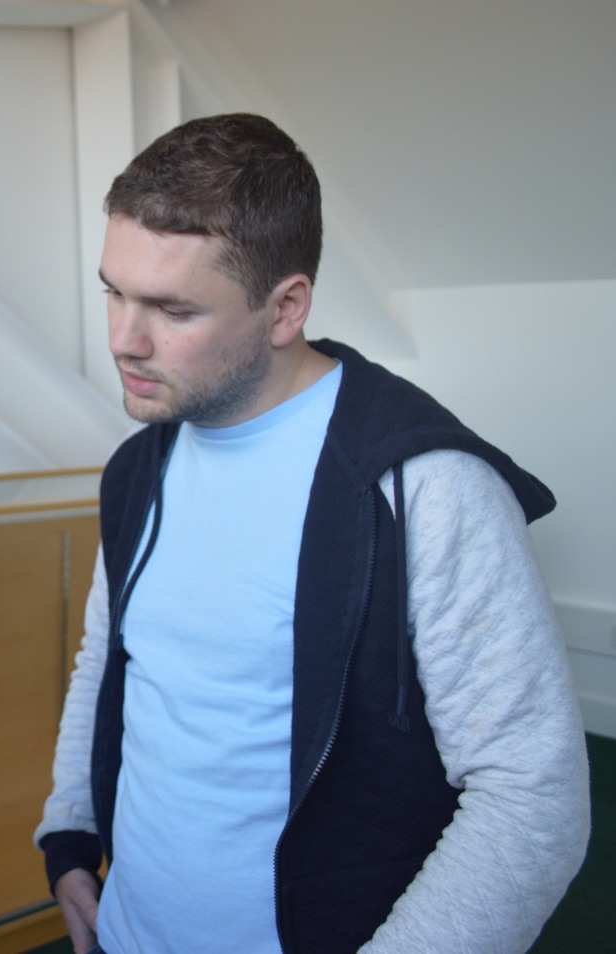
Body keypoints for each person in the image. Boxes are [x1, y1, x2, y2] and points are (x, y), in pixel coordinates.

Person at [35, 113, 589, 954]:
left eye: (172, 310)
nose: (122, 340)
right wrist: (71, 830)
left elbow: (531, 796)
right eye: (113, 290)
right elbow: (109, 656)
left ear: (285, 306)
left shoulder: (429, 491)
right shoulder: (137, 467)